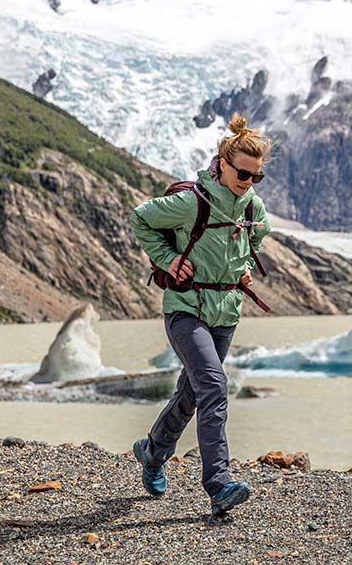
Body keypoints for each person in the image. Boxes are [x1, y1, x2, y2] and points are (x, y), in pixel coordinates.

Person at [129, 113, 271, 516]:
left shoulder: (253, 204)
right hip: (185, 309)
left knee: (192, 392)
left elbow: (259, 231)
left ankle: (153, 451)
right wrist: (168, 258)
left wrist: (244, 262)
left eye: (256, 177)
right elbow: (141, 218)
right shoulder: (191, 202)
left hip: (226, 311)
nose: (248, 182)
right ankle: (219, 483)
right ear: (222, 164)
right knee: (213, 386)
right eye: (243, 174)